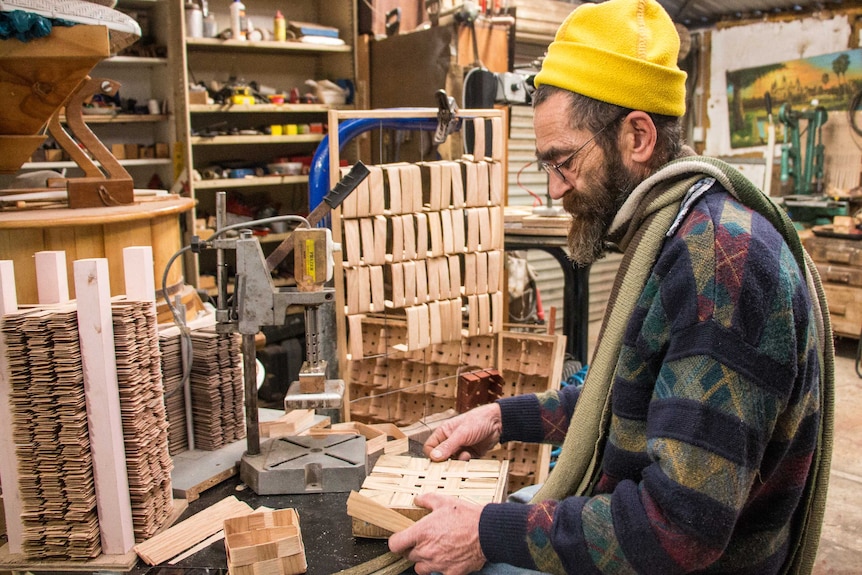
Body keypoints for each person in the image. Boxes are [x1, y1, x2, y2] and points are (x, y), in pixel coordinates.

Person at [388, 0, 835, 574]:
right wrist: (503, 419)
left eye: (564, 162)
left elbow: (678, 530)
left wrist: (485, 533)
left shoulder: (721, 262)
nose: (553, 190)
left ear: (639, 137)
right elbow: (623, 401)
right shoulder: (674, 229)